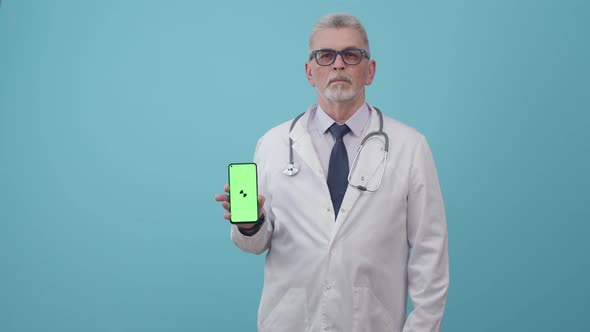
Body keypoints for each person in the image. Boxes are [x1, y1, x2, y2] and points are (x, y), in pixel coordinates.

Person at [215, 13, 449, 332]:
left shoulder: (410, 147)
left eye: (351, 55)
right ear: (310, 72)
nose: (338, 65)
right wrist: (249, 224)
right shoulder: (273, 144)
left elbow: (430, 254)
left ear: (370, 70)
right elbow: (254, 245)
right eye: (325, 56)